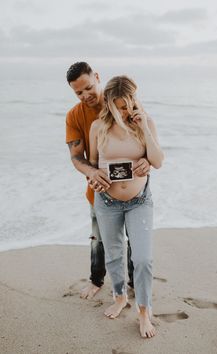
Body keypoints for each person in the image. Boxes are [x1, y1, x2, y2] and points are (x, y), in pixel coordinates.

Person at [65, 62, 151, 299]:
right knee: (98, 238)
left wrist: (148, 161)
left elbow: (146, 139)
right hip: (99, 189)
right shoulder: (74, 115)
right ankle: (96, 279)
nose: (85, 96)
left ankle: (134, 283)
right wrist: (92, 173)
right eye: (78, 92)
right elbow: (76, 157)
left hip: (134, 191)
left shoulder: (122, 102)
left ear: (97, 77)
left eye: (89, 88)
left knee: (135, 239)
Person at [89, 75, 164, 338]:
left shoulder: (146, 122)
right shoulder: (98, 126)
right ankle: (119, 296)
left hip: (139, 201)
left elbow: (158, 160)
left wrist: (143, 128)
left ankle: (144, 311)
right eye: (118, 106)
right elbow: (93, 164)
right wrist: (94, 178)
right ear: (108, 103)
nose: (124, 111)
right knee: (114, 255)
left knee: (142, 258)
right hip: (107, 202)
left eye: (128, 105)